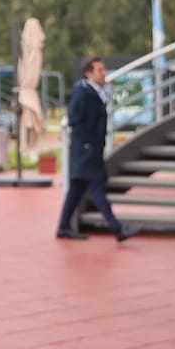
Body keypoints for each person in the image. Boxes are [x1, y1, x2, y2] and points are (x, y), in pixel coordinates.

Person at [56, 56, 139, 242]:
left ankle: (62, 227)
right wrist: (88, 144)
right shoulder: (82, 92)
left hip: (89, 150)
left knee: (76, 191)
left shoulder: (95, 92)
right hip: (86, 151)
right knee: (97, 189)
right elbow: (74, 119)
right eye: (99, 70)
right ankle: (118, 229)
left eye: (104, 69)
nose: (104, 73)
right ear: (88, 73)